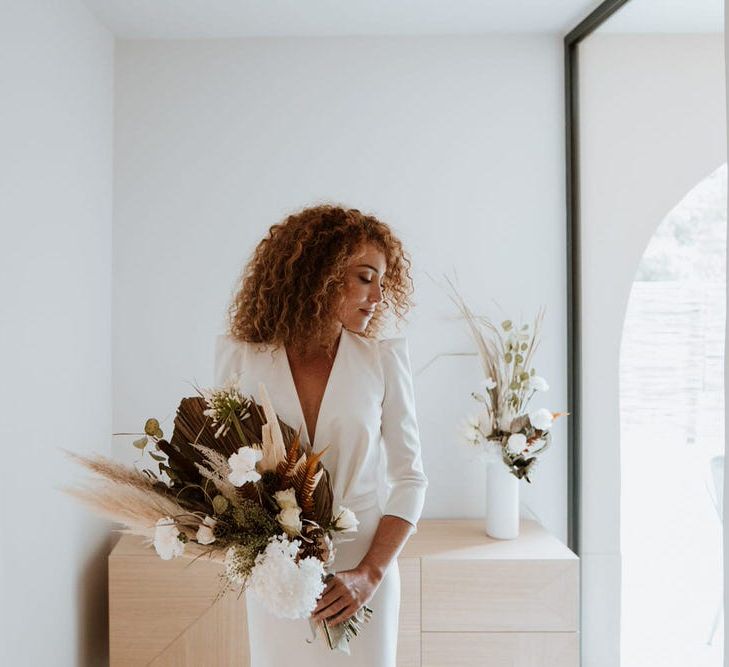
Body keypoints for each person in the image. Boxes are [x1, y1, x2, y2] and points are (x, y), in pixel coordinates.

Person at [213, 204, 429, 666]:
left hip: (362, 570)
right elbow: (221, 466)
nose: (377, 297)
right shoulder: (243, 357)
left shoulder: (383, 360)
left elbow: (411, 480)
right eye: (366, 277)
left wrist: (369, 575)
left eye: (383, 282)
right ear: (321, 274)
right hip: (274, 571)